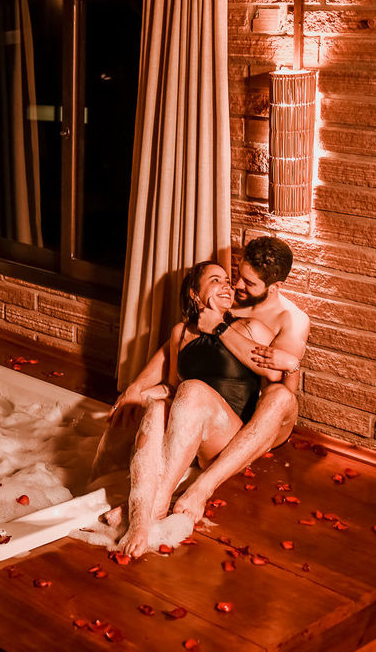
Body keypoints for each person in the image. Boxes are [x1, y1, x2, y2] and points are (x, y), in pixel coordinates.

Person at [94, 236, 310, 557]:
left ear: (274, 287)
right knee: (158, 403)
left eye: (247, 282)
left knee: (277, 396)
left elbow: (280, 383)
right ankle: (140, 504)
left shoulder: (288, 320)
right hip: (207, 411)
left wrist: (222, 329)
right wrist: (136, 389)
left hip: (262, 420)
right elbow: (173, 353)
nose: (235, 285)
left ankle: (198, 489)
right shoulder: (229, 301)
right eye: (234, 276)